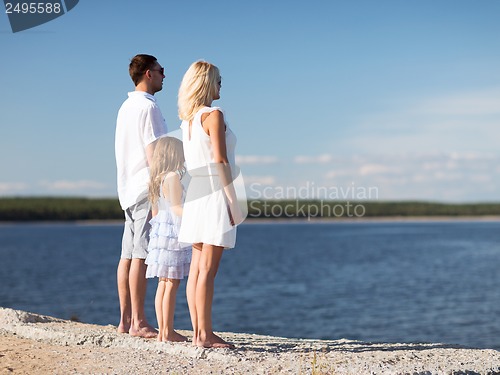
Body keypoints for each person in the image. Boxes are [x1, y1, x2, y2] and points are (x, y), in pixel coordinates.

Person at [177, 60, 244, 348]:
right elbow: (220, 160)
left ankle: (198, 332)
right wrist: (233, 200)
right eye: (217, 81)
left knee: (197, 268)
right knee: (208, 270)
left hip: (195, 192)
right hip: (214, 192)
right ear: (206, 84)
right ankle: (204, 335)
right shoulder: (213, 115)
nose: (220, 86)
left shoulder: (187, 122)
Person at [115, 54, 168, 338]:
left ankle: (125, 322)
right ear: (148, 73)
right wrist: (160, 192)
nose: (164, 75)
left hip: (127, 189)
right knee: (141, 255)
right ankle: (139, 322)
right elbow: (154, 153)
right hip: (144, 188)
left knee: (127, 255)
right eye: (161, 70)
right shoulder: (148, 107)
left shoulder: (125, 107)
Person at [145, 136, 191, 342]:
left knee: (163, 283)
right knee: (172, 283)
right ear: (174, 155)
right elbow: (176, 208)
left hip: (159, 237)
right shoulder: (172, 177)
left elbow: (155, 213)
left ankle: (163, 331)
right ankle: (168, 331)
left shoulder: (156, 179)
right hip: (173, 234)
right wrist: (197, 214)